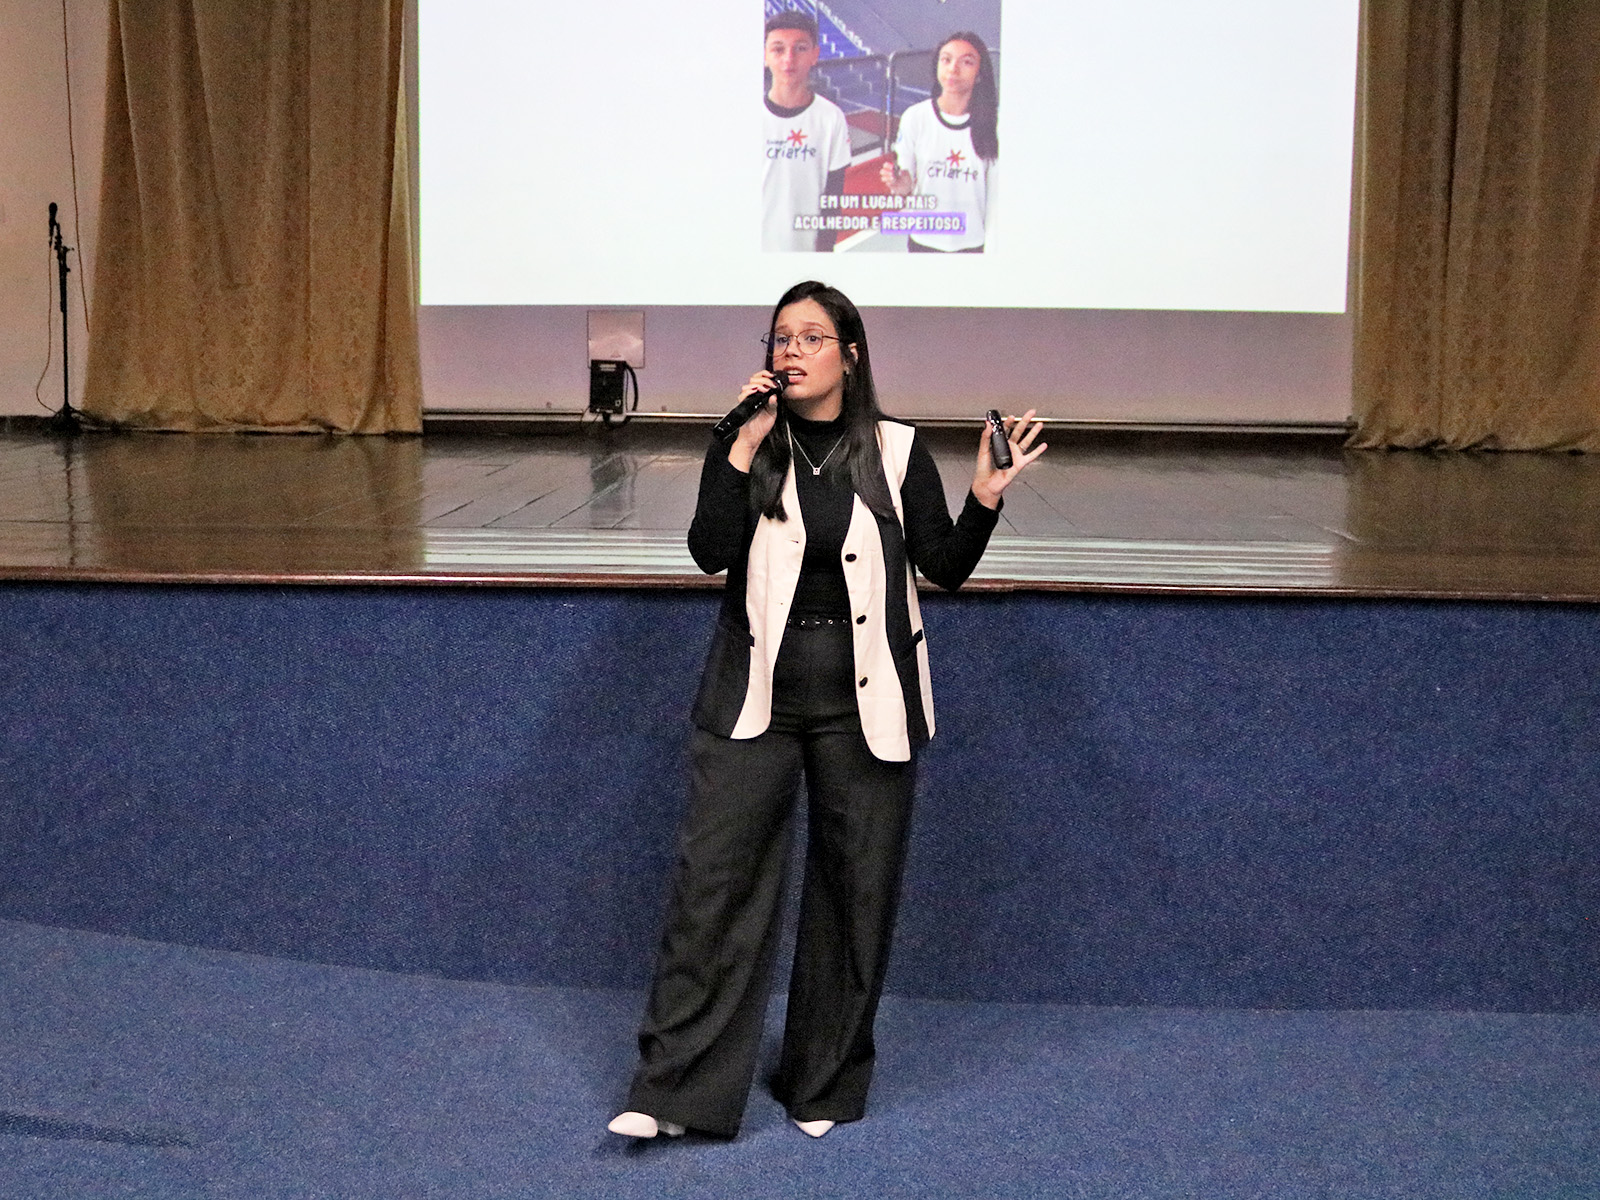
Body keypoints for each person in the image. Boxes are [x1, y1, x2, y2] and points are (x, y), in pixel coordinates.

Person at [608, 281, 1046, 1141]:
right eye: (781, 338)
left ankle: (824, 1084)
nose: (792, 351)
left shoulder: (896, 449)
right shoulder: (746, 441)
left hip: (866, 701)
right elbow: (708, 552)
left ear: (850, 354)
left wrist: (986, 495)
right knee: (712, 892)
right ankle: (674, 1095)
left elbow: (945, 566)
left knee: (856, 893)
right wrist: (739, 449)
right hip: (755, 696)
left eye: (812, 337)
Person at [879, 32, 999, 253]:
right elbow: (905, 184)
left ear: (980, 74)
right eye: (946, 59)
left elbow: (996, 201)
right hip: (923, 242)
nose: (953, 68)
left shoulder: (996, 124)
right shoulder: (915, 117)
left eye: (967, 62)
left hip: (972, 246)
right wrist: (902, 187)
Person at [763, 11, 852, 252]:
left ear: (815, 55)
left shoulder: (831, 118)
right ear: (765, 56)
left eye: (800, 48)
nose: (788, 59)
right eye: (778, 49)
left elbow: (833, 200)